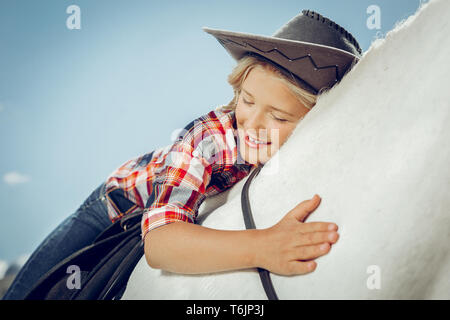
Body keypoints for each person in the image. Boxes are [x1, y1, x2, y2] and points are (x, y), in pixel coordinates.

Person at [3, 9, 362, 299]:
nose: (251, 123)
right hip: (115, 207)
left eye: (278, 116)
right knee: (31, 292)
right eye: (247, 101)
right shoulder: (209, 137)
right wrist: (263, 246)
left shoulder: (310, 149)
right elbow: (160, 243)